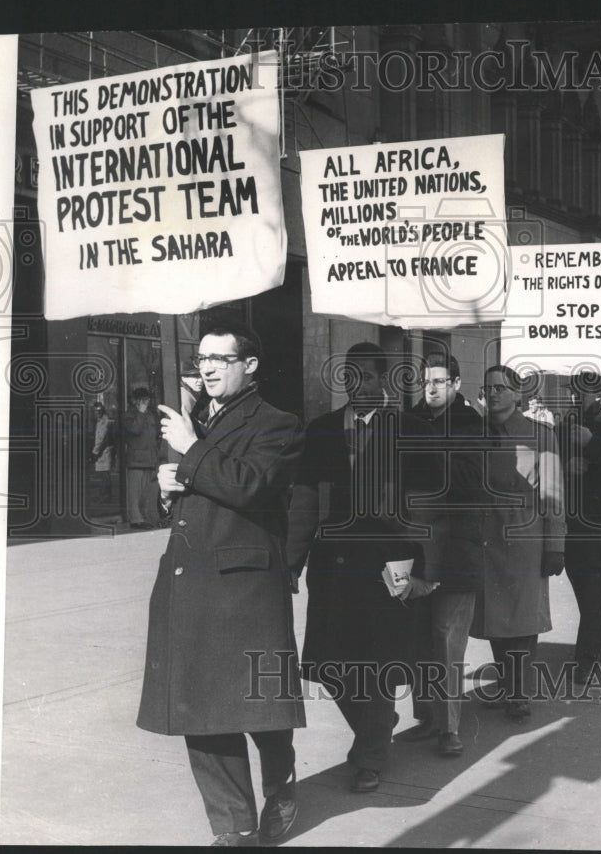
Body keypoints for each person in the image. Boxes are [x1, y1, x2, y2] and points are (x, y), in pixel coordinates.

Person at [136, 320, 305, 847]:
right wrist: (161, 491)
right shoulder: (188, 422)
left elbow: (250, 487)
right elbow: (156, 507)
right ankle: (233, 825)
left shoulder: (278, 424)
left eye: (219, 359)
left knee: (256, 704)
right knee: (199, 707)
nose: (206, 368)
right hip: (187, 580)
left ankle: (281, 780)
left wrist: (190, 450)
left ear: (249, 366)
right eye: (201, 359)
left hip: (243, 586)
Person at [288, 343, 440, 794]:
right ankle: (377, 726)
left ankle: (371, 755)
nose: (357, 386)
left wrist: (423, 569)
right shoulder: (321, 431)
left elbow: (430, 507)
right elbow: (305, 501)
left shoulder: (411, 430)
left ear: (385, 382)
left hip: (391, 564)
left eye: (367, 377)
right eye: (350, 377)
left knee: (378, 664)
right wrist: (291, 561)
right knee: (330, 664)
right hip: (333, 567)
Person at [471, 365, 566, 721]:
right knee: (495, 617)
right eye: (488, 388)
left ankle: (519, 692)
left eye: (500, 388)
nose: (493, 394)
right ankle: (507, 685)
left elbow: (554, 493)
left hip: (526, 536)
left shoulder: (539, 434)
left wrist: (556, 544)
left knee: (522, 619)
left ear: (517, 394)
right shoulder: (473, 432)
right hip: (485, 536)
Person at [405, 352, 485, 758]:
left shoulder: (473, 425)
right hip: (414, 547)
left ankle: (450, 727)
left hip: (457, 549)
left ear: (455, 383)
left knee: (448, 641)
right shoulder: (408, 422)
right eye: (426, 381)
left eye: (439, 381)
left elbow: (476, 485)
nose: (431, 388)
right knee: (418, 638)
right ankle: (426, 716)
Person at [562, 379, 601, 684]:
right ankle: (598, 641)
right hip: (574, 527)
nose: (575, 396)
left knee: (594, 597)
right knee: (585, 595)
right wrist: (566, 467)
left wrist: (592, 444)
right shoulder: (564, 426)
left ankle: (584, 661)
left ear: (600, 392)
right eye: (572, 390)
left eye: (581, 390)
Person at [122, 387, 161, 529]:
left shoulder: (151, 414)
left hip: (149, 458)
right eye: (143, 399)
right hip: (136, 460)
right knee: (135, 492)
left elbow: (156, 433)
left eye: (147, 399)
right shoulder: (129, 415)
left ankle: (145, 517)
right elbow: (135, 430)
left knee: (146, 492)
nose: (146, 402)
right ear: (135, 401)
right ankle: (136, 519)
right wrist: (141, 413)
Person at [89, 403, 115, 502]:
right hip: (100, 450)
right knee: (102, 474)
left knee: (105, 474)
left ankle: (106, 496)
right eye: (95, 411)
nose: (97, 413)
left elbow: (104, 439)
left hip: (104, 451)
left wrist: (96, 452)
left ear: (102, 410)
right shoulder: (99, 421)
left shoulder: (105, 421)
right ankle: (104, 495)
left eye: (99, 410)